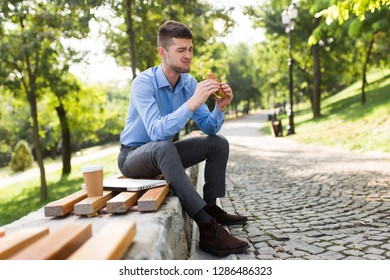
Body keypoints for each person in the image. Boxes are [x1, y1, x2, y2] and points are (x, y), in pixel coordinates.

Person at [118, 20, 249, 256]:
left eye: (190, 49)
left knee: (218, 144)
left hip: (163, 153)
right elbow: (157, 131)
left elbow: (209, 128)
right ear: (162, 52)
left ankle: (211, 206)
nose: (188, 55)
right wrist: (191, 104)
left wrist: (220, 107)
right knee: (162, 146)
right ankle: (207, 227)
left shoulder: (189, 83)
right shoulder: (143, 83)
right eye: (181, 50)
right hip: (133, 157)